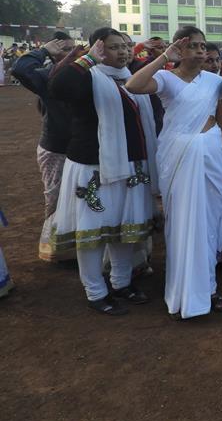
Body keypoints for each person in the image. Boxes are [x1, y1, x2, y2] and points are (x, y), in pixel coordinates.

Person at [126, 26, 222, 319]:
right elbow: (133, 85)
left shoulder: (215, 82)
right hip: (179, 158)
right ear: (179, 48)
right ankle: (184, 291)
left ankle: (209, 287)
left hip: (212, 156)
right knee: (184, 224)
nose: (200, 51)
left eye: (203, 46)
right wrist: (164, 56)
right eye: (193, 46)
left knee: (209, 223)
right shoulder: (166, 78)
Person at [49, 28, 158, 315]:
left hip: (132, 167)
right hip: (93, 167)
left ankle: (121, 282)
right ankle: (95, 291)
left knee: (124, 229)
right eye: (113, 47)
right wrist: (87, 60)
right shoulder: (88, 77)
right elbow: (58, 88)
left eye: (126, 46)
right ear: (98, 49)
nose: (123, 51)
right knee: (93, 234)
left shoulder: (132, 78)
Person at [11, 32, 77, 262]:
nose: (71, 53)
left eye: (73, 48)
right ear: (54, 54)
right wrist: (43, 51)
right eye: (64, 49)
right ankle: (55, 250)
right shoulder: (48, 75)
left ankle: (79, 246)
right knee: (56, 199)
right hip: (56, 149)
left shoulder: (84, 74)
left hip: (82, 149)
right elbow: (20, 69)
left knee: (82, 198)